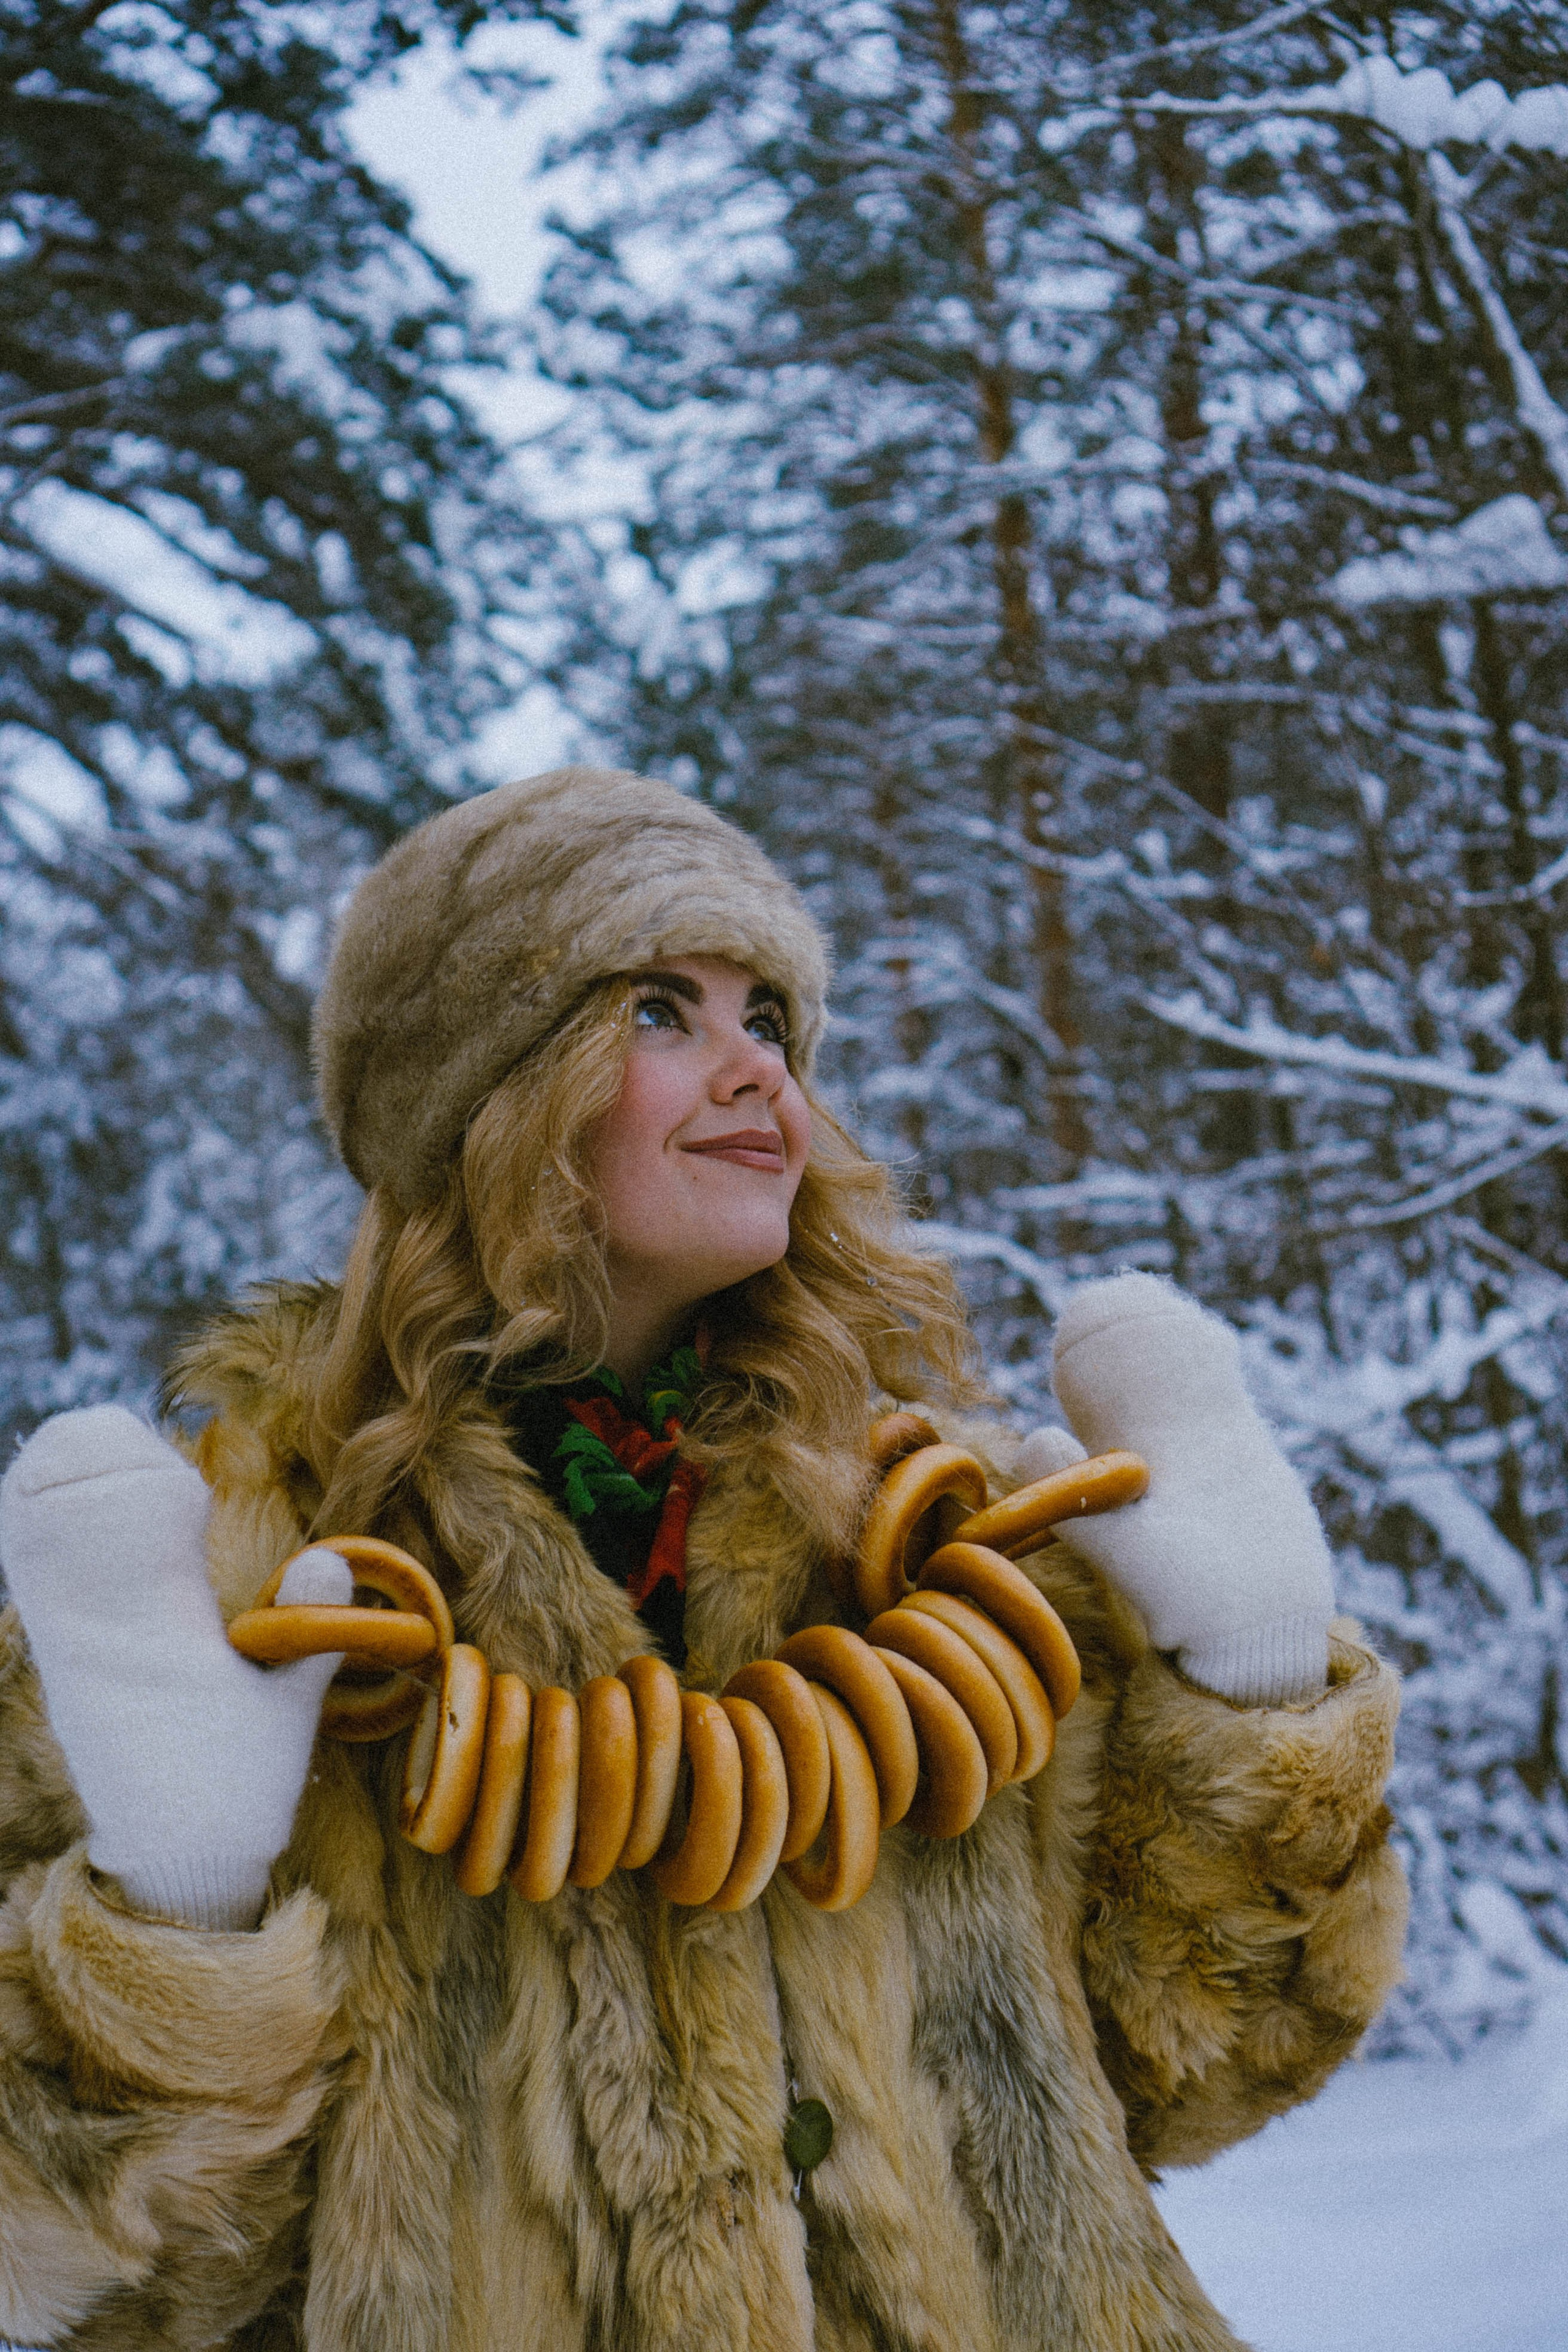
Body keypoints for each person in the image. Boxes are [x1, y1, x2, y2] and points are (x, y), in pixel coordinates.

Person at [0, 767, 1405, 2352]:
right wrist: (175, 1925)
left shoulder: (944, 1553)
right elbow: (82, 2276)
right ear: (486, 1094)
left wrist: (1262, 1699)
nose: (759, 1076)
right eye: (664, 1011)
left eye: (775, 1026)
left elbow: (1200, 2067)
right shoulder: (216, 1603)